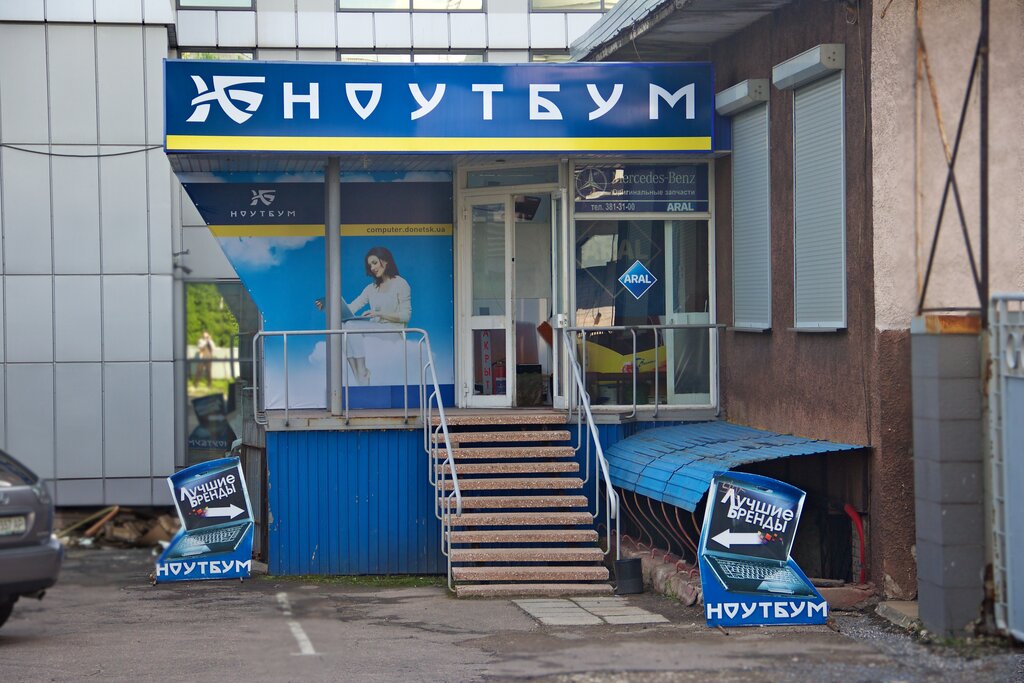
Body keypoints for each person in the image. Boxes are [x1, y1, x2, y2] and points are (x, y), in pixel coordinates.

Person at [317, 246, 411, 386]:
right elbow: (351, 308)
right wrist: (328, 307)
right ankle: (359, 374)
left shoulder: (401, 283)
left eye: (375, 263)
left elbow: (405, 316)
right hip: (376, 329)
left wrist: (379, 314)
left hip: (394, 332)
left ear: (385, 261)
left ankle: (362, 371)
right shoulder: (371, 288)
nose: (372, 268)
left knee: (351, 325)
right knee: (343, 326)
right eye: (370, 265)